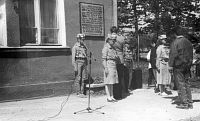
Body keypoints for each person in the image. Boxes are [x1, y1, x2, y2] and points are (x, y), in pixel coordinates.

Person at [167, 27, 193, 109]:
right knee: (187, 83)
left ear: (175, 34)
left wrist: (170, 65)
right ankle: (190, 102)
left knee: (180, 83)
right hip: (187, 65)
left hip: (178, 65)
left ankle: (184, 103)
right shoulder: (188, 42)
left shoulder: (175, 42)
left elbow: (173, 55)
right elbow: (191, 54)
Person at [110, 26, 127, 99]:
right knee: (120, 77)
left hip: (112, 58)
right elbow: (124, 50)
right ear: (117, 31)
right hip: (120, 59)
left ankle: (112, 94)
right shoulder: (121, 38)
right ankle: (119, 95)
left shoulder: (109, 38)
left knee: (113, 76)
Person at [102, 34, 119, 102]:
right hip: (108, 65)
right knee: (107, 82)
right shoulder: (106, 48)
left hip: (113, 65)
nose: (114, 42)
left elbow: (115, 56)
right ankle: (108, 97)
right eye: (113, 40)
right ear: (109, 40)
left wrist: (116, 57)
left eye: (115, 40)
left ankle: (112, 96)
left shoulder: (113, 48)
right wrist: (105, 68)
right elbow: (103, 59)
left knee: (112, 82)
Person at [72, 33, 88, 98]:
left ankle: (82, 92)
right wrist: (74, 66)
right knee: (78, 77)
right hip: (78, 62)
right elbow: (73, 58)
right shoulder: (75, 47)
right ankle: (78, 92)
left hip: (84, 62)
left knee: (83, 77)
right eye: (82, 39)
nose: (83, 40)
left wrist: (86, 63)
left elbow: (86, 55)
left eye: (84, 39)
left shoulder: (84, 47)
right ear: (78, 39)